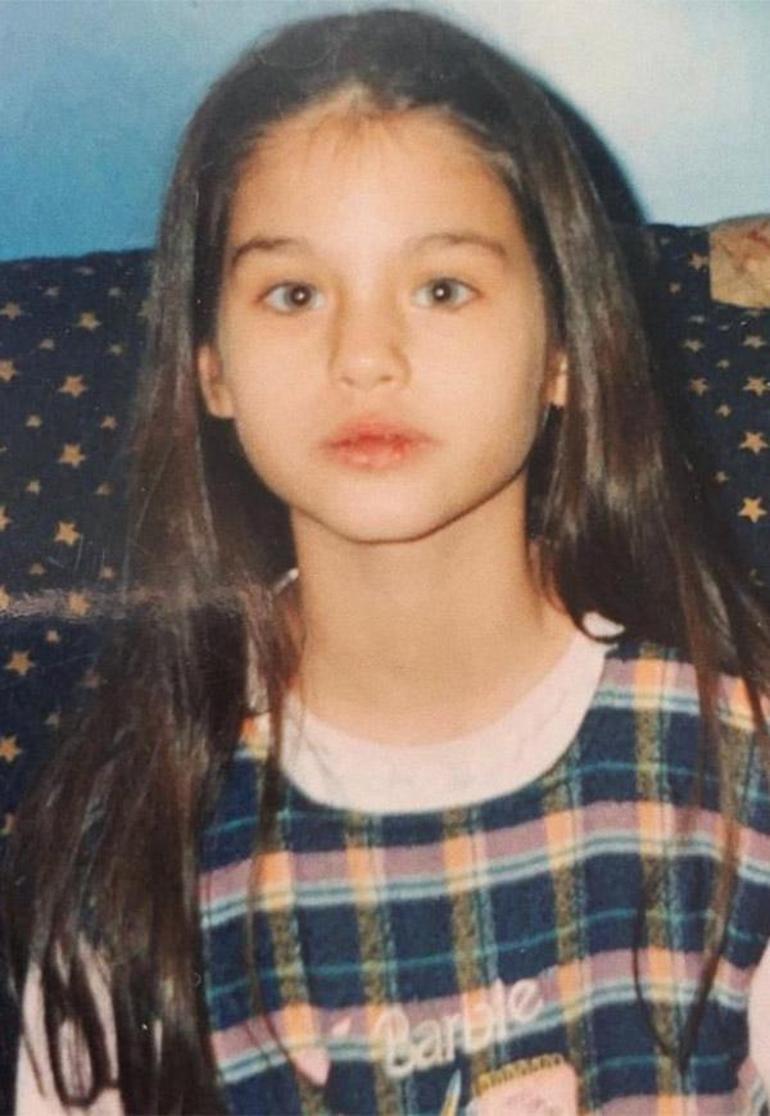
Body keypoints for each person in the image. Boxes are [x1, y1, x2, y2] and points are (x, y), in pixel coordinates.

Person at [5, 7, 770, 1114]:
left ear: (564, 348)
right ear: (211, 367)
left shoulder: (731, 762)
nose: (363, 356)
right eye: (294, 294)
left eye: (442, 288)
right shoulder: (135, 832)